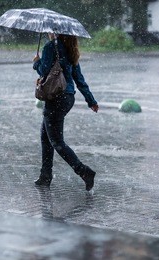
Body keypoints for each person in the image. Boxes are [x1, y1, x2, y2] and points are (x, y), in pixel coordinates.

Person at [32, 33, 99, 191]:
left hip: (55, 97)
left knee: (56, 141)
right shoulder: (71, 49)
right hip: (68, 98)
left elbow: (44, 70)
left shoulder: (50, 47)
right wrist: (91, 101)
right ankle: (45, 176)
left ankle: (84, 172)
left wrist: (36, 63)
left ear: (56, 32)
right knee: (46, 138)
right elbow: (79, 79)